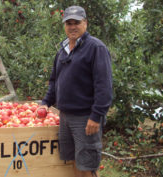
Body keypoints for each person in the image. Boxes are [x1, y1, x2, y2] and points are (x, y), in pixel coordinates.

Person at [38, 5, 113, 177]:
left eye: (76, 22)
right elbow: (55, 81)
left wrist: (96, 116)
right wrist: (45, 103)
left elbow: (104, 86)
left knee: (87, 164)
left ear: (85, 23)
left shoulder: (96, 48)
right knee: (73, 160)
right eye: (68, 23)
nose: (72, 26)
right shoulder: (62, 51)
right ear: (64, 25)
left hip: (85, 117)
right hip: (65, 116)